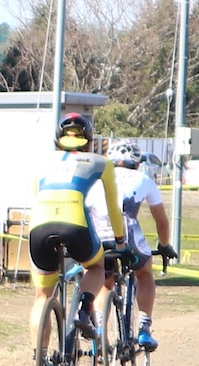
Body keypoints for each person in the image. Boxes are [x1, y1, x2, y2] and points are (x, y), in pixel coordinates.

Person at [27, 113, 125, 352]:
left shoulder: (41, 162)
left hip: (39, 226)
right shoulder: (101, 162)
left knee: (41, 296)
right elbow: (113, 207)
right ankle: (84, 306)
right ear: (88, 140)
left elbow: (36, 196)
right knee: (96, 266)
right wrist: (120, 241)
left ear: (58, 140)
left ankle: (40, 360)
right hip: (75, 223)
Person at [84, 141, 178, 349]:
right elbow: (161, 220)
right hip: (127, 235)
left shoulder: (96, 179)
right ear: (137, 162)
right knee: (144, 272)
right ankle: (144, 328)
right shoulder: (144, 178)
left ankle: (99, 330)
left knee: (102, 278)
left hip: (97, 236)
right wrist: (164, 245)